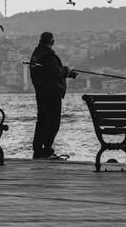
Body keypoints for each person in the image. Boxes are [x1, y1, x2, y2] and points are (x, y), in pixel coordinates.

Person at [29, 31, 78, 159]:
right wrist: (67, 71)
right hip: (51, 93)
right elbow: (54, 72)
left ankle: (38, 151)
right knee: (53, 123)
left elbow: (47, 73)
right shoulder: (48, 56)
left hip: (41, 93)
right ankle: (47, 150)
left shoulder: (36, 54)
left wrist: (66, 73)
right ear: (52, 42)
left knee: (42, 122)